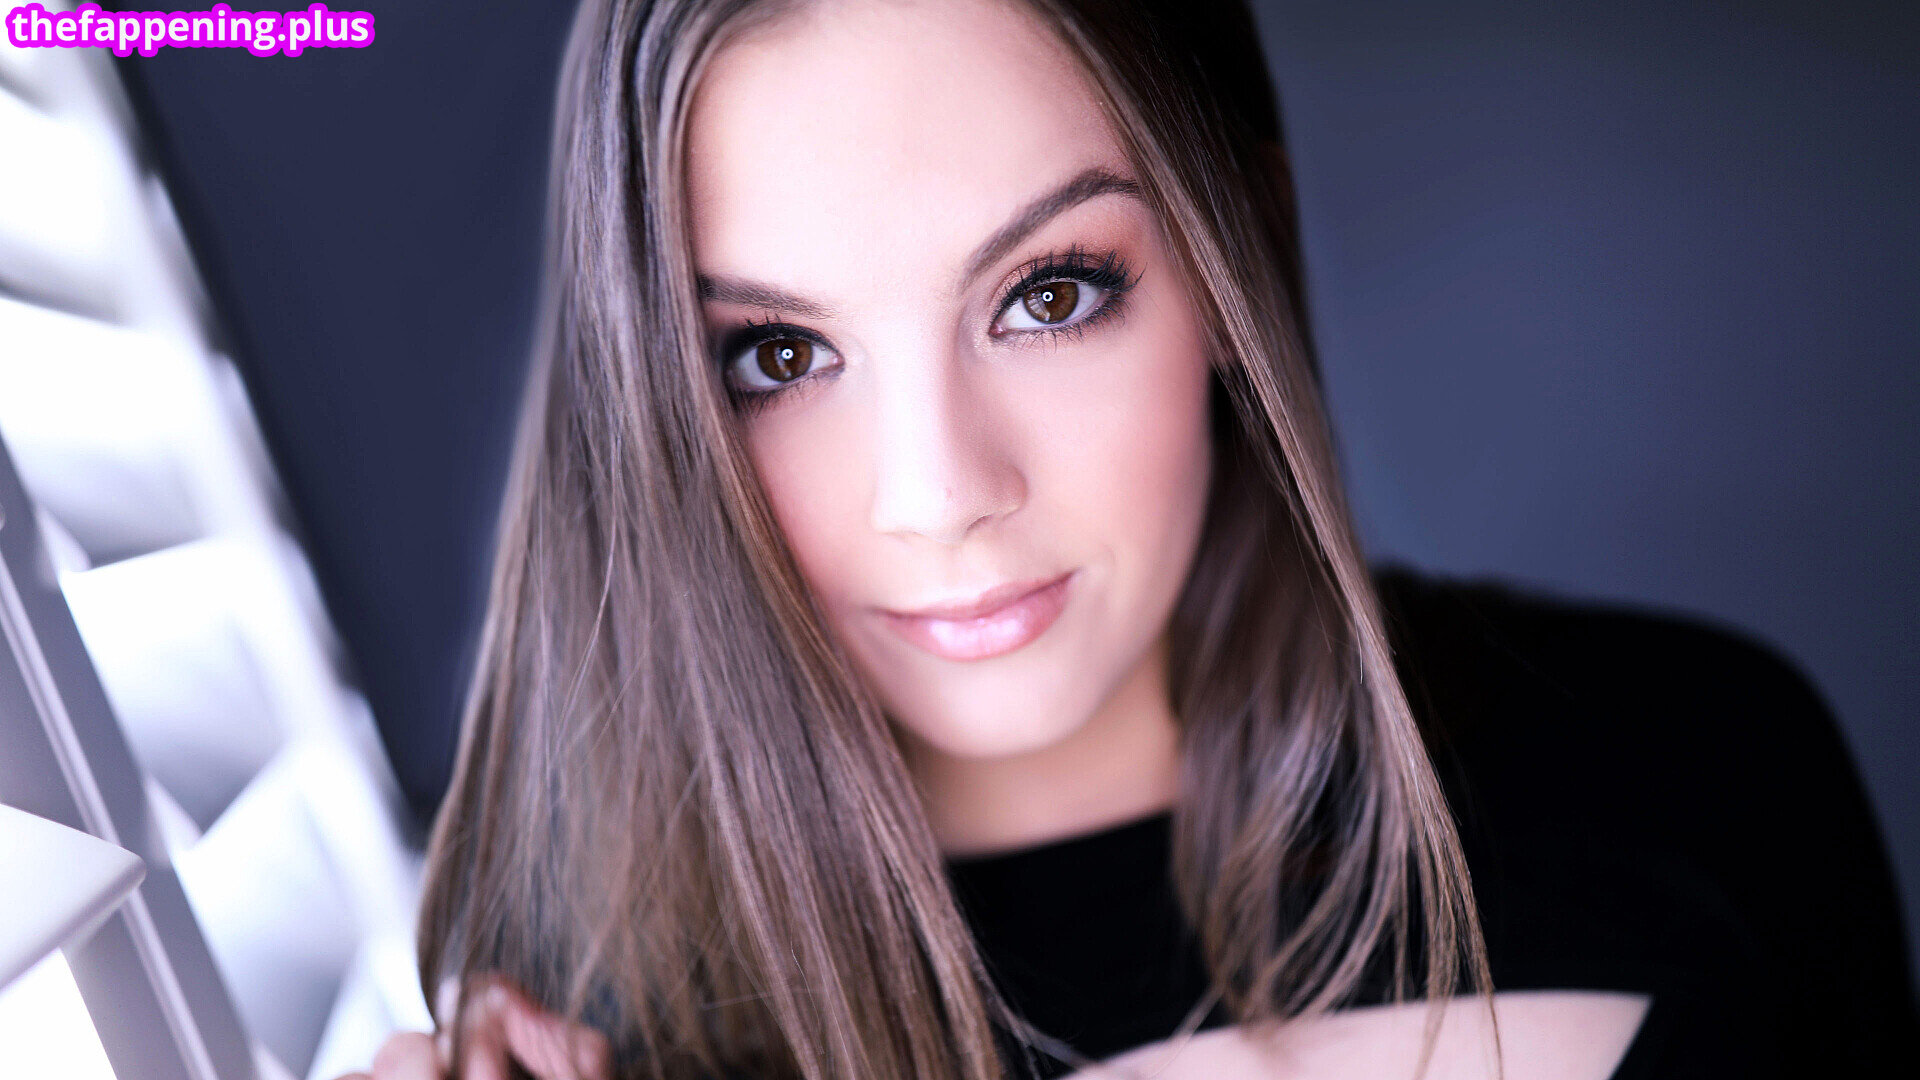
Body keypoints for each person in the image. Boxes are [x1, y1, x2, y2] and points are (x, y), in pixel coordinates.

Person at [338, 0, 1919, 1077]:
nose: (938, 492)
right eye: (779, 354)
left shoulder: (1706, 765)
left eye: (1048, 294)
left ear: (1237, 256)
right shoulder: (608, 1031)